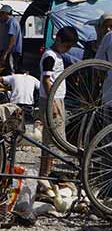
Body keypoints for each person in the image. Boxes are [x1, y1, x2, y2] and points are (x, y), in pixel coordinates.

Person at [39, 26, 75, 178]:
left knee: (52, 140)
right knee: (54, 139)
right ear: (58, 39)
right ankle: (47, 174)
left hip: (56, 98)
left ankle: (46, 173)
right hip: (52, 99)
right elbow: (47, 80)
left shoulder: (57, 55)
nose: (67, 49)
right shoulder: (50, 56)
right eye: (66, 46)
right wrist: (52, 103)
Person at [0, 5, 22, 74]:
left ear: (6, 13)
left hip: (12, 51)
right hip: (8, 50)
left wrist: (5, 53)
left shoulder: (12, 22)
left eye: (1, 13)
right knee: (4, 70)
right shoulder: (9, 22)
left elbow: (12, 38)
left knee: (10, 70)